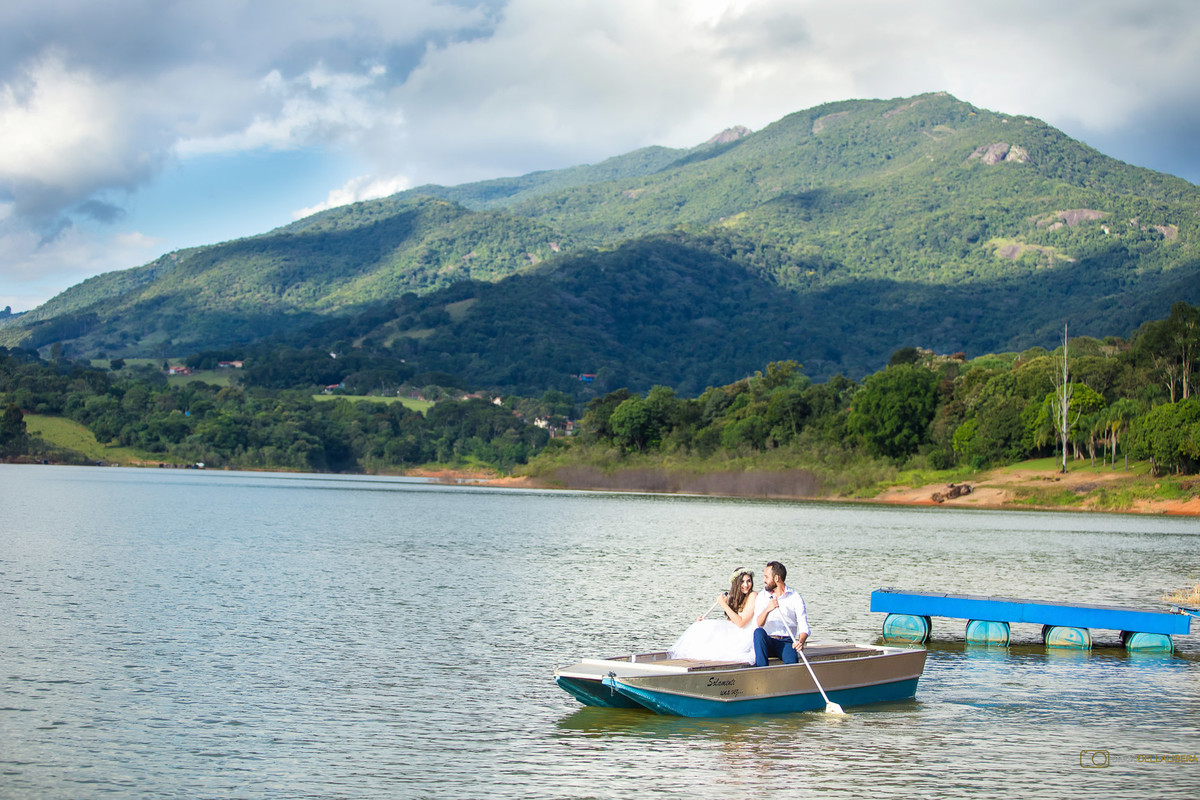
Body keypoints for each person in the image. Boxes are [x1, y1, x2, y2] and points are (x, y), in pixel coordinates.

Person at [667, 567, 759, 663]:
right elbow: (733, 621)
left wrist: (723, 604)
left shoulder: (753, 595)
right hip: (737, 630)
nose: (746, 585)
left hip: (746, 635)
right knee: (704, 625)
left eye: (749, 581)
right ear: (736, 584)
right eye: (742, 582)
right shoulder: (739, 597)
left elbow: (741, 623)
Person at [751, 561, 810, 667]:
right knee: (758, 632)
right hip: (767, 641)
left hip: (786, 641)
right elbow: (758, 624)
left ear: (777, 578)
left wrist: (800, 642)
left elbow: (804, 627)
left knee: (792, 663)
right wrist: (768, 609)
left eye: (766, 577)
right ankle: (762, 672)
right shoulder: (762, 596)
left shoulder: (795, 597)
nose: (764, 580)